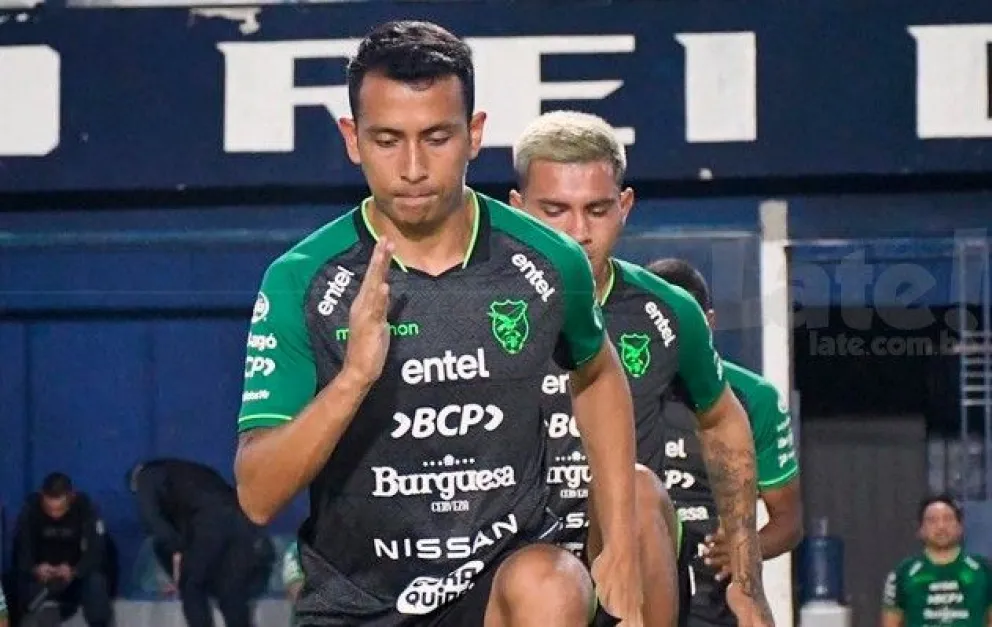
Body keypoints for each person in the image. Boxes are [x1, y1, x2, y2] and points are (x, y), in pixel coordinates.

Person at [235, 20, 644, 627]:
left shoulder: (549, 261)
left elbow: (599, 373)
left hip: (499, 585)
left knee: (551, 582)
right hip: (357, 602)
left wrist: (621, 547)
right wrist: (352, 381)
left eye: (436, 137)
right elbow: (258, 496)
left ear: (474, 134)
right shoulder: (301, 278)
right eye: (386, 139)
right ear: (352, 138)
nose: (412, 167)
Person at [509, 110, 774, 627]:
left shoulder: (669, 311)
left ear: (624, 207)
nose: (578, 232)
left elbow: (722, 419)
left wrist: (746, 582)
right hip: (519, 557)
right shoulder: (476, 307)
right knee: (540, 581)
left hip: (632, 553)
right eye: (555, 210)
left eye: (598, 210)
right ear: (517, 208)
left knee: (636, 488)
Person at [648, 258, 803, 627]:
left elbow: (789, 522)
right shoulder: (607, 388)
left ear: (710, 322)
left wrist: (744, 548)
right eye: (661, 322)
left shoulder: (753, 397)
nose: (673, 335)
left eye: (686, 322)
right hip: (628, 588)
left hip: (714, 599)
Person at [127, 458, 274, 627]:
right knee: (231, 591)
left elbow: (152, 518)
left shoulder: (146, 476)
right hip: (241, 522)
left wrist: (176, 546)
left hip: (209, 524)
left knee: (192, 586)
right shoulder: (189, 471)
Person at [13, 472, 112, 627]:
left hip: (75, 578)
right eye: (49, 509)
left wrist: (75, 571)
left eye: (60, 509)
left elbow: (97, 552)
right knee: (12, 583)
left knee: (96, 582)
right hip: (41, 578)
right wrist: (35, 568)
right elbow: (21, 550)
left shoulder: (85, 509)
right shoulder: (30, 510)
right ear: (42, 497)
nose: (55, 515)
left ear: (71, 498)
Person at [882, 495, 992, 627]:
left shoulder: (984, 570)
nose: (941, 526)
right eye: (932, 520)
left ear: (960, 527)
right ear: (921, 529)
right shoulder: (902, 573)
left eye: (948, 519)